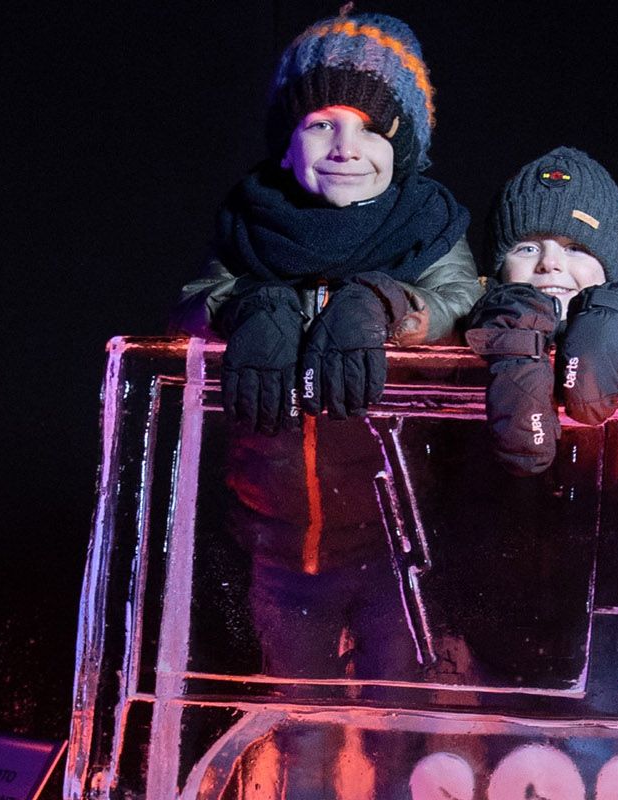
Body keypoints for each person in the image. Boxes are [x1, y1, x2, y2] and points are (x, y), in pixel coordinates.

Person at [168, 11, 480, 796]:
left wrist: (385, 303)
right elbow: (190, 305)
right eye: (321, 124)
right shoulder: (250, 220)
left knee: (396, 732)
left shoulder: (430, 228)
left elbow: (460, 300)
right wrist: (249, 307)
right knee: (296, 739)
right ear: (286, 136)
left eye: (371, 129)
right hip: (274, 548)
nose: (346, 148)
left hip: (395, 549)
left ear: (402, 145)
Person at [465, 146, 618, 476]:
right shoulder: (465, 329)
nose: (550, 264)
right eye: (528, 248)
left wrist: (615, 314)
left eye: (576, 249)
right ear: (499, 269)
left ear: (610, 270)